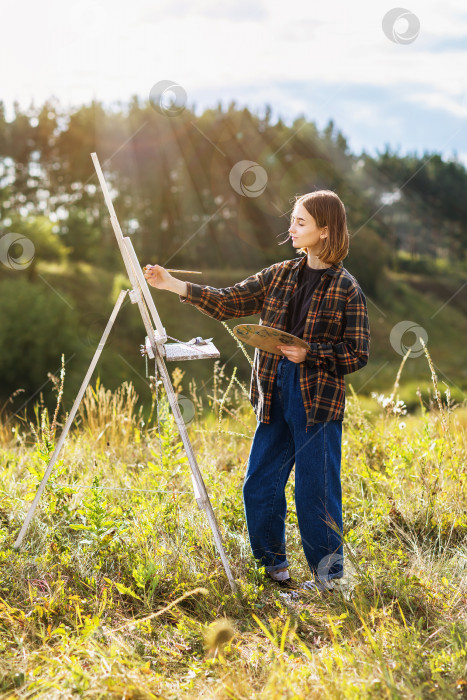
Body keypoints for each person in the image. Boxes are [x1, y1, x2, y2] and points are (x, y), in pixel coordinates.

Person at [144, 190, 370, 593]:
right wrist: (173, 284)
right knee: (259, 484)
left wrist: (310, 353)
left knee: (315, 494)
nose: (292, 228)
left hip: (317, 401)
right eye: (293, 220)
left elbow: (357, 353)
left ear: (325, 230)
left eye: (300, 222)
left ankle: (329, 583)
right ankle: (275, 573)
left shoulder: (347, 287)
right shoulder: (280, 273)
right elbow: (229, 302)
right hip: (273, 392)